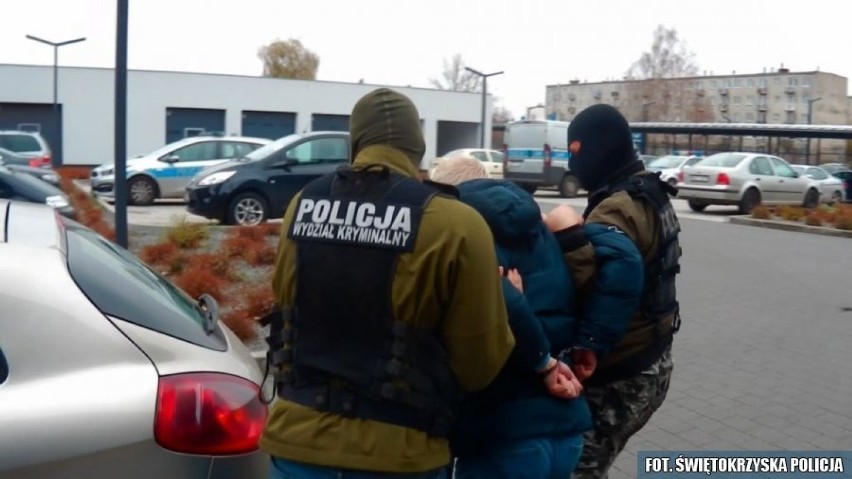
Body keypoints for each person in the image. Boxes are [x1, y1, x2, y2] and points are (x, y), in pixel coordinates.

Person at [260, 88, 515, 479]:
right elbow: (479, 365)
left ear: (356, 142)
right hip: (402, 454)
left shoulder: (302, 205)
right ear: (417, 147)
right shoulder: (457, 223)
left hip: (297, 446)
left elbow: (287, 306)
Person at [430, 156, 644, 479]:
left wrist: (544, 363)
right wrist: (591, 343)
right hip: (566, 432)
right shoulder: (538, 222)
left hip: (504, 437)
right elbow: (627, 259)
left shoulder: (461, 232)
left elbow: (503, 297)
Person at [544, 104, 682, 479]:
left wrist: (567, 240)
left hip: (623, 375)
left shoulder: (616, 210)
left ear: (600, 148)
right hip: (652, 361)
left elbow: (596, 287)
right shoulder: (648, 190)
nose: (573, 165)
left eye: (576, 151)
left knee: (573, 469)